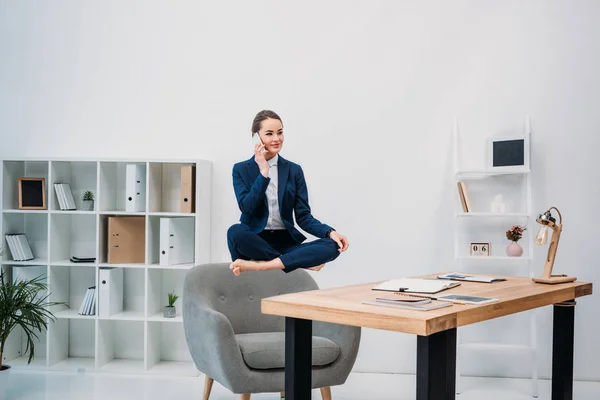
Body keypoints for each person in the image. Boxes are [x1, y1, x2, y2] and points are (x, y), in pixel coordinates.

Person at [227, 110, 349, 276]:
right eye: (269, 134)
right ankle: (292, 261)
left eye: (280, 132)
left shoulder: (294, 170)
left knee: (334, 245)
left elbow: (304, 217)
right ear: (257, 137)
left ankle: (262, 265)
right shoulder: (240, 169)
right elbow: (247, 208)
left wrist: (330, 232)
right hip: (254, 240)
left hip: (285, 241)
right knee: (235, 231)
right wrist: (263, 171)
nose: (276, 139)